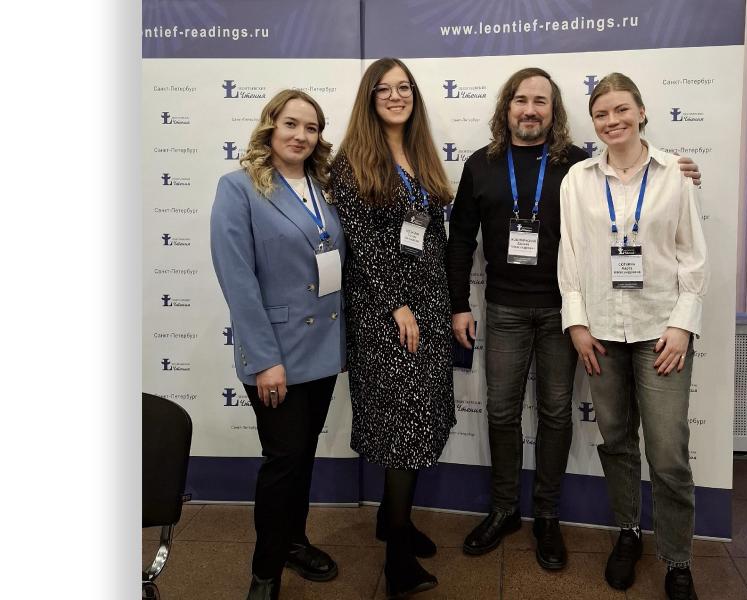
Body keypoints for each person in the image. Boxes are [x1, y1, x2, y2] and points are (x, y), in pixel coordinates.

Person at [448, 68, 702, 570]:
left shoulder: (576, 166)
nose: (530, 110)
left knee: (556, 414)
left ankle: (547, 515)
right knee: (500, 412)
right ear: (506, 107)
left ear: (554, 110)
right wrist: (459, 303)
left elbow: (633, 185)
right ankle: (504, 508)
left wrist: (685, 170)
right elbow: (459, 241)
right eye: (521, 100)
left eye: (540, 101)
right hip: (505, 309)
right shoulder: (481, 164)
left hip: (564, 312)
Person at [557, 73, 708, 600]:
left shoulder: (674, 175)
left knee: (667, 454)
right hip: (601, 331)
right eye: (601, 114)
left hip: (661, 332)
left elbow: (693, 257)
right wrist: (577, 323)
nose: (612, 121)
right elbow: (570, 254)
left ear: (641, 112)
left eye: (622, 110)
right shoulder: (577, 179)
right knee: (617, 442)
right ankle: (628, 532)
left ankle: (678, 559)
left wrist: (682, 325)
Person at [210, 89, 346, 600]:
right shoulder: (238, 188)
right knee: (283, 459)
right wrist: (265, 360)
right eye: (291, 124)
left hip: (323, 348)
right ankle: (265, 572)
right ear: (271, 126)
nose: (301, 135)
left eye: (311, 128)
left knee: (303, 455)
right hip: (276, 353)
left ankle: (294, 542)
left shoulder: (324, 187)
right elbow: (238, 280)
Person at [328, 58, 455, 599]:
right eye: (385, 89)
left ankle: (392, 518)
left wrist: (442, 304)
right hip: (386, 313)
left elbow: (431, 235)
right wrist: (397, 305)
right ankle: (397, 559)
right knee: (403, 428)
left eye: (404, 88)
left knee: (422, 418)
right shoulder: (351, 163)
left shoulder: (421, 154)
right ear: (370, 97)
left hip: (429, 307)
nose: (396, 96)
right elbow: (363, 245)